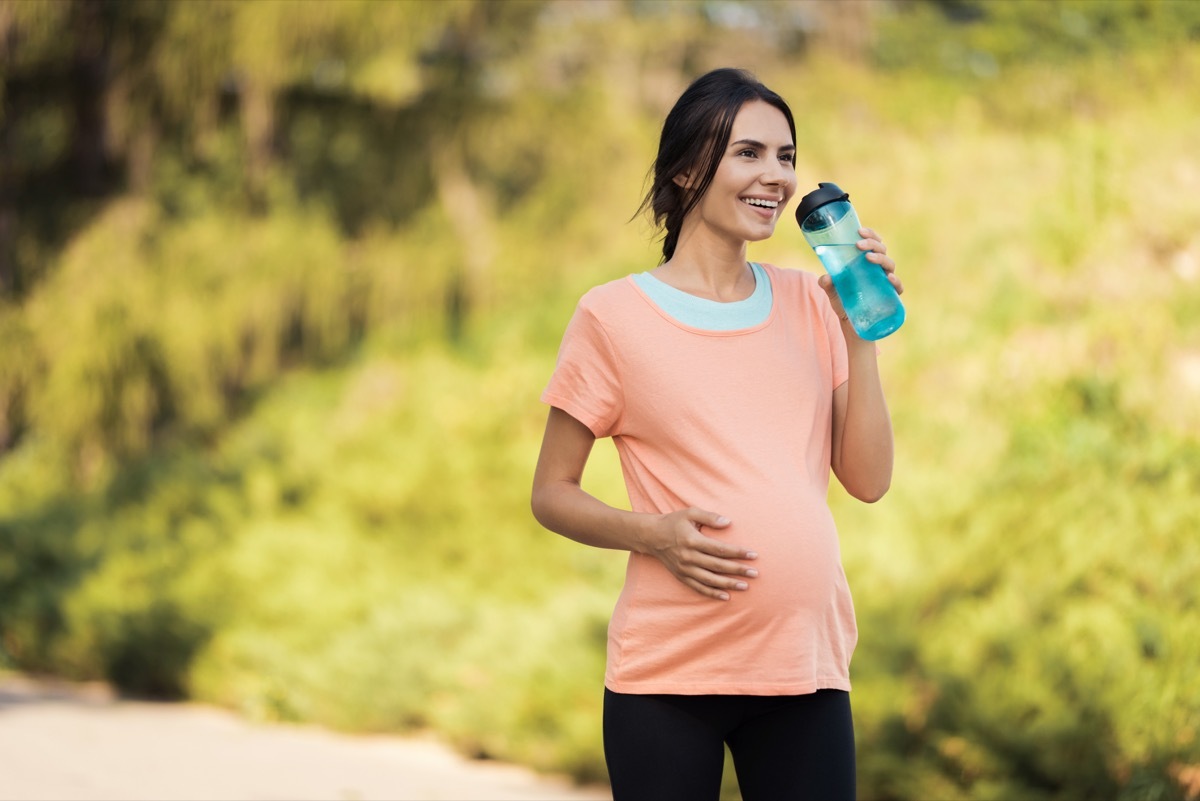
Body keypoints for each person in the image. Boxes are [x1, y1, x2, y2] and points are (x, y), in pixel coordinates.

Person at [530, 67, 902, 801]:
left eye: (786, 156)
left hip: (804, 664)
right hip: (668, 676)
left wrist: (860, 327)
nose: (777, 176)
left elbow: (868, 480)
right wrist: (653, 535)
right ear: (687, 169)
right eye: (749, 153)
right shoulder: (613, 317)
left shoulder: (810, 300)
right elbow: (551, 492)